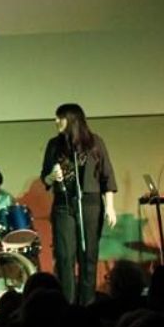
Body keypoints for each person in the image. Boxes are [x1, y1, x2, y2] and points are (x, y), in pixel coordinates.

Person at [41, 103, 117, 305]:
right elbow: (45, 179)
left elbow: (107, 176)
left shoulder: (95, 143)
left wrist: (109, 206)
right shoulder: (54, 145)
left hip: (90, 205)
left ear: (72, 120)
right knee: (65, 257)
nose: (56, 121)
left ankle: (88, 304)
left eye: (60, 117)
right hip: (64, 205)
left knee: (88, 256)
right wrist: (51, 177)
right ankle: (67, 304)